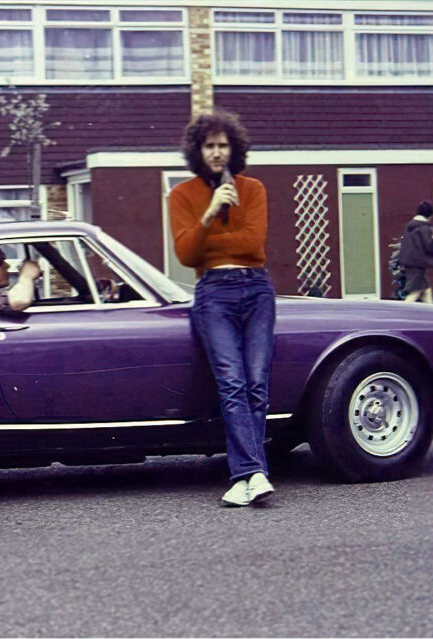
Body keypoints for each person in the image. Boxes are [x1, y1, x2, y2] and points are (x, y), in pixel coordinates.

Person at [169, 108, 276, 508]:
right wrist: (211, 211)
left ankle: (245, 478)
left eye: (223, 145)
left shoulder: (254, 189)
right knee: (231, 383)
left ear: (234, 149)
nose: (216, 152)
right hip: (214, 293)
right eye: (209, 146)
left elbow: (253, 245)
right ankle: (254, 472)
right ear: (199, 151)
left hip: (257, 289)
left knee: (256, 383)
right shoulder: (182, 195)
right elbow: (186, 253)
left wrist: (213, 241)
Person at [398, 201, 433, 303]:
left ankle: (431, 314)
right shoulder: (424, 227)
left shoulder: (409, 226)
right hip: (417, 265)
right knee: (415, 293)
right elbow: (428, 246)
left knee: (426, 291)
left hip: (410, 263)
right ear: (430, 215)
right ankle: (401, 313)